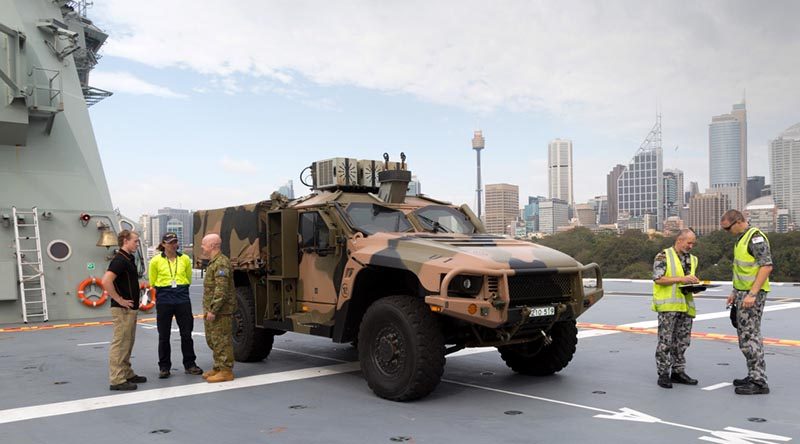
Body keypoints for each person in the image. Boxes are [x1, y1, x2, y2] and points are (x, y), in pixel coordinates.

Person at [721, 209, 773, 395]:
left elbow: (766, 266)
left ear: (738, 221)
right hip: (743, 294)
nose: (727, 232)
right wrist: (735, 292)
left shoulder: (755, 238)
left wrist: (752, 294)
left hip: (752, 295)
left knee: (750, 336)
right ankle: (753, 374)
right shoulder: (741, 239)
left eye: (728, 228)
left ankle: (759, 381)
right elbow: (742, 271)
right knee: (745, 336)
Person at [149, 232, 203, 379]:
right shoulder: (155, 261)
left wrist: (180, 287)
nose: (173, 245)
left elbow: (188, 278)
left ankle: (190, 364)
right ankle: (164, 367)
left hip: (182, 296)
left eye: (175, 242)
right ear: (163, 244)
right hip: (164, 296)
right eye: (170, 242)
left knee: (186, 333)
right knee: (163, 335)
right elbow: (153, 281)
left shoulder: (185, 259)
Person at [652, 228, 700, 389]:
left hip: (685, 305)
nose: (691, 246)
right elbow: (658, 279)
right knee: (665, 341)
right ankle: (663, 373)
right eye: (689, 242)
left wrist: (694, 284)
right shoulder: (663, 256)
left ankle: (678, 371)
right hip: (669, 306)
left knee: (682, 341)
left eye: (693, 243)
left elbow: (686, 280)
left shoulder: (692, 259)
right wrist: (682, 279)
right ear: (679, 240)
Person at [102, 230, 147, 391]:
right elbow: (106, 281)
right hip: (122, 309)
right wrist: (119, 299)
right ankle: (117, 379)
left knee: (128, 342)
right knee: (120, 343)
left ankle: (126, 372)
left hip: (130, 309)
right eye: (135, 241)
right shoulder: (120, 260)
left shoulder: (129, 258)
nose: (137, 243)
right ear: (125, 241)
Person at [200, 233, 237, 383]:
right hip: (213, 309)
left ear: (212, 246)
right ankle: (218, 367)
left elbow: (221, 290)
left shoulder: (221, 263)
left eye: (204, 245)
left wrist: (213, 310)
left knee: (222, 340)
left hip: (221, 311)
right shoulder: (213, 262)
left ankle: (226, 370)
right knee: (214, 339)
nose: (202, 248)